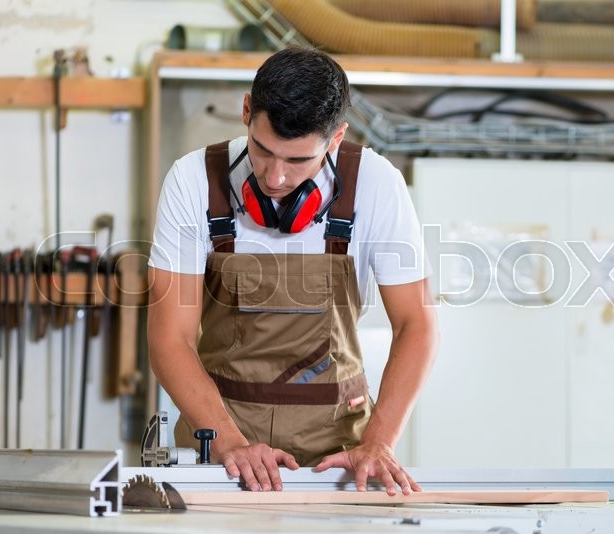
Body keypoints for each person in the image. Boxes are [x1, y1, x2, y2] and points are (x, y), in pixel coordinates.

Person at [147, 46, 438, 496]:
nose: (275, 178)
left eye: (298, 161)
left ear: (336, 138)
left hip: (339, 456)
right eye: (263, 151)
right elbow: (170, 339)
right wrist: (229, 444)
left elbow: (416, 323)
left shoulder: (375, 184)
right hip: (221, 450)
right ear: (247, 110)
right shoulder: (193, 181)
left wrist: (379, 442)